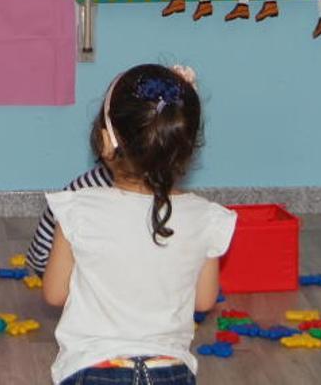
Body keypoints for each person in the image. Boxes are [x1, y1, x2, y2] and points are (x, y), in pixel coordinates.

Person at [42, 64, 237, 385]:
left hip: (91, 369)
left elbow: (54, 293)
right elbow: (204, 300)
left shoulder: (79, 208)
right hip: (171, 371)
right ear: (184, 148)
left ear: (106, 142)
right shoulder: (206, 217)